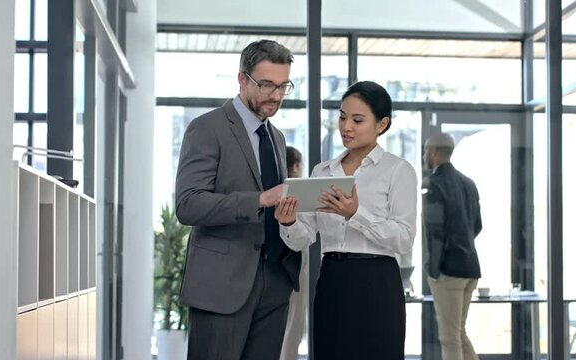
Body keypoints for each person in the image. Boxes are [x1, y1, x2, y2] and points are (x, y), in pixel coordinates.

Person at [174, 39, 302, 360]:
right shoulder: (207, 128)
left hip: (275, 281)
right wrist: (258, 200)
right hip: (222, 285)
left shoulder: (276, 137)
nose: (275, 95)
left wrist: (287, 212)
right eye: (267, 85)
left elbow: (273, 204)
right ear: (242, 79)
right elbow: (188, 204)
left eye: (283, 86)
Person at [275, 81, 417, 360]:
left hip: (377, 283)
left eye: (357, 119)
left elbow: (404, 238)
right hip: (332, 280)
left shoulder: (398, 170)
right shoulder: (322, 172)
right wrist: (289, 222)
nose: (346, 127)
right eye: (342, 117)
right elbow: (305, 237)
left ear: (382, 123)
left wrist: (355, 214)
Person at [422, 132, 483, 360]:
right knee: (459, 333)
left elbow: (434, 231)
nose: (424, 155)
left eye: (426, 150)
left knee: (449, 338)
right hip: (470, 267)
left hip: (449, 270)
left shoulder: (432, 184)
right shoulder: (469, 183)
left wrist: (434, 269)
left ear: (434, 153)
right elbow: (477, 225)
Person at [280, 146, 307, 360]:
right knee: (294, 325)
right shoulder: (300, 194)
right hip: (297, 266)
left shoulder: (273, 190)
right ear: (296, 166)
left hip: (275, 266)